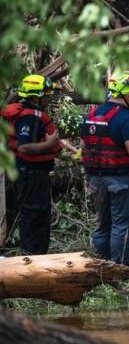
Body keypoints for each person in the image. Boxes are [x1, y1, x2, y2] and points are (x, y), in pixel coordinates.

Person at [81, 71, 129, 265]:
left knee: (102, 225)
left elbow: (83, 148)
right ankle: (118, 271)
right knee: (123, 225)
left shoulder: (92, 116)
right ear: (128, 95)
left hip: (96, 180)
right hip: (122, 181)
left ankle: (101, 267)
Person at [1, 75, 61, 254]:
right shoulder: (30, 118)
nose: (49, 98)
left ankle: (37, 256)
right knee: (33, 216)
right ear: (36, 97)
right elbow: (24, 146)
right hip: (31, 175)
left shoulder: (29, 114)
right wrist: (49, 144)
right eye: (47, 94)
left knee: (38, 216)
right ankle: (30, 257)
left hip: (32, 174)